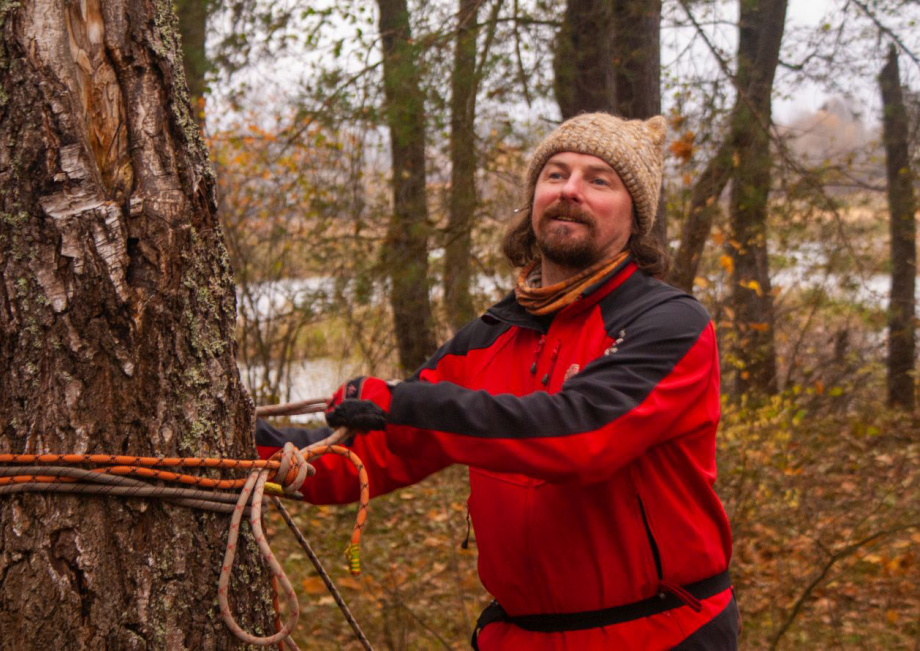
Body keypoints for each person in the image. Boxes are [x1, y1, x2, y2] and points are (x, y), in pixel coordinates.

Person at [256, 112, 738, 650]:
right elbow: (374, 452)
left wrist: (404, 403)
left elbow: (581, 436)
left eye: (599, 180)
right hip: (521, 638)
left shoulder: (669, 323)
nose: (570, 190)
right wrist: (246, 450)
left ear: (635, 217)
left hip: (661, 633)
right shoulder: (489, 336)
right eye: (555, 174)